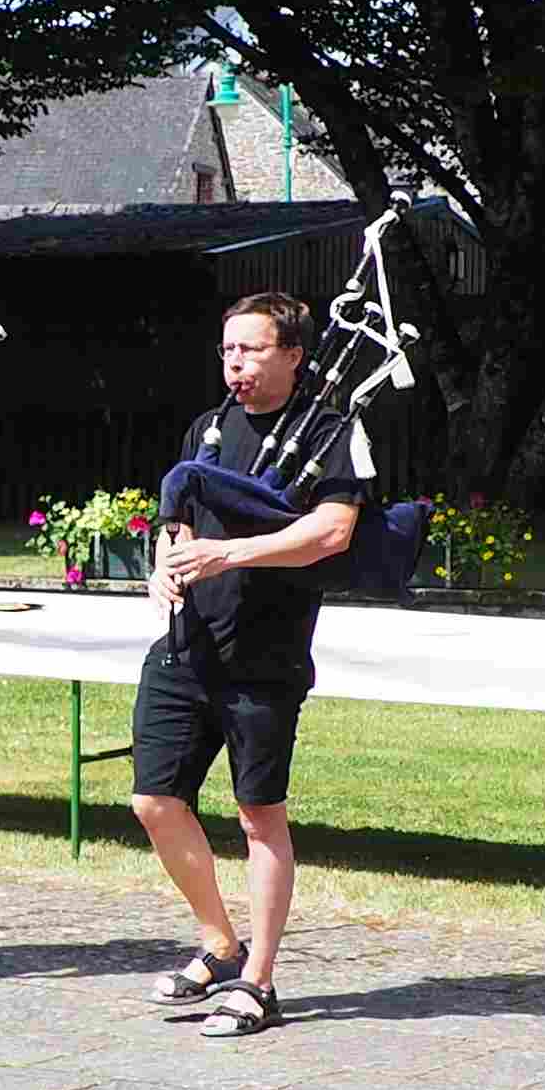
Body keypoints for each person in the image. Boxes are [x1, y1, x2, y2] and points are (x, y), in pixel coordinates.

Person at [137, 291, 361, 1039]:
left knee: (257, 816)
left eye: (252, 349)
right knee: (154, 799)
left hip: (264, 653)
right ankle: (219, 943)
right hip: (186, 643)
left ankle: (259, 982)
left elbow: (331, 530)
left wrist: (231, 552)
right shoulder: (205, 430)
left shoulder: (330, 430)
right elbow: (176, 523)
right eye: (228, 349)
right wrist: (164, 568)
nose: (235, 363)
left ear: (294, 354)